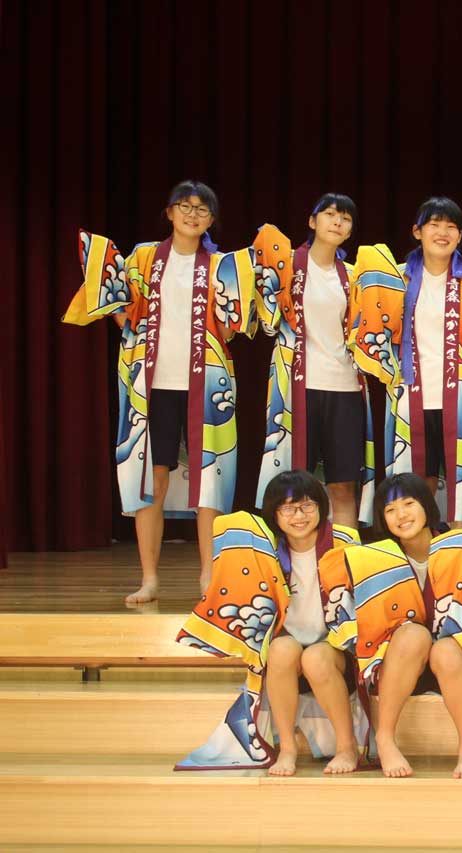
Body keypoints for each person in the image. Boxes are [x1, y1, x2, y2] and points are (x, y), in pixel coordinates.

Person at [63, 179, 256, 603]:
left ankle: (208, 577)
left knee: (210, 478)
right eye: (184, 206)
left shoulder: (222, 265)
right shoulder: (143, 257)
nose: (192, 214)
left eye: (202, 209)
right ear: (169, 212)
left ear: (211, 219)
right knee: (152, 477)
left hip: (208, 383)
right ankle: (149, 578)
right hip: (150, 386)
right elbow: (120, 309)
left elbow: (231, 329)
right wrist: (130, 323)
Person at [349, 196, 462, 525]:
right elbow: (369, 320)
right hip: (409, 397)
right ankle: (420, 551)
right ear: (417, 231)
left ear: (460, 236)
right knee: (416, 484)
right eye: (434, 224)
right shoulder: (397, 279)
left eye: (451, 227)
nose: (442, 232)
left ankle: (460, 550)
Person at [175, 470, 361, 774]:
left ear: (321, 507)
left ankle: (346, 747)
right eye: (287, 508)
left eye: (307, 505)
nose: (299, 516)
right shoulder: (263, 547)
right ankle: (286, 748)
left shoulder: (344, 542)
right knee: (281, 650)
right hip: (285, 649)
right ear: (273, 514)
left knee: (315, 657)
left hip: (334, 650)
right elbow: (226, 527)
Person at [327, 473, 462, 779]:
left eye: (408, 504)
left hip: (455, 660)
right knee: (413, 635)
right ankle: (385, 738)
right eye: (390, 510)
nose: (401, 515)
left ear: (427, 504)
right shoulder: (374, 559)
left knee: (446, 649)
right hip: (398, 661)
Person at [251, 193, 375, 528]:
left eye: (346, 218)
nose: (337, 222)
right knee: (294, 483)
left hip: (345, 387)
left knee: (343, 484)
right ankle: (294, 556)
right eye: (330, 214)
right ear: (312, 221)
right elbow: (266, 321)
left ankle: (344, 554)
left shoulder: (354, 276)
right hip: (297, 388)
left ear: (350, 231)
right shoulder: (285, 264)